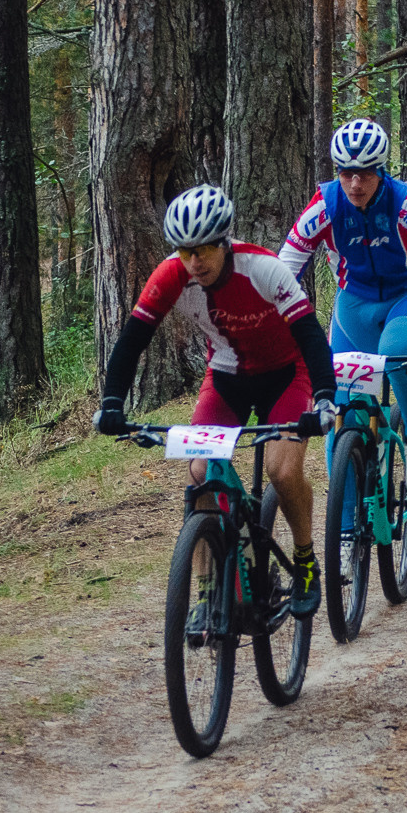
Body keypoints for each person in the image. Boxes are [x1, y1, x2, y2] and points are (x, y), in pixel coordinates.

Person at [93, 184, 338, 616]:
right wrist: (112, 402)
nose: (194, 261)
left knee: (283, 471)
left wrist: (324, 399)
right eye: (184, 251)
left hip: (287, 374)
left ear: (224, 242)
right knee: (200, 473)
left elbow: (310, 335)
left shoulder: (263, 269)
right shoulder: (170, 276)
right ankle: (208, 592)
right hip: (227, 375)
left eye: (203, 249)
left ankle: (304, 559)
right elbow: (132, 341)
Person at [277, 119, 407, 496]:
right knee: (341, 416)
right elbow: (283, 271)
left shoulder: (405, 203)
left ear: (381, 172)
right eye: (346, 173)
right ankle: (346, 526)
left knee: (396, 352)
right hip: (354, 304)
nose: (355, 184)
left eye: (364, 174)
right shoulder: (325, 204)